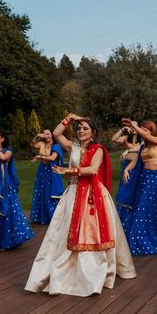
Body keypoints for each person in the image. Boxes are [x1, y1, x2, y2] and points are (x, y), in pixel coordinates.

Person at [25, 114, 136, 296]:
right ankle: (65, 270)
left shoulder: (98, 149)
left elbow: (93, 170)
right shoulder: (72, 147)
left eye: (85, 128)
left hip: (93, 195)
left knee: (91, 232)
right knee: (64, 231)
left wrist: (69, 170)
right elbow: (56, 133)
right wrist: (70, 118)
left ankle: (92, 274)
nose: (81, 131)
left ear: (92, 133)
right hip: (73, 193)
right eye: (79, 128)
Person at [121, 118, 157, 255]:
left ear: (151, 131)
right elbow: (135, 162)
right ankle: (139, 238)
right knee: (142, 209)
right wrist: (126, 170)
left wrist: (134, 126)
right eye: (142, 129)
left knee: (154, 209)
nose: (143, 132)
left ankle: (155, 238)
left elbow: (148, 137)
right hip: (145, 179)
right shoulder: (143, 147)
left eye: (145, 129)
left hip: (155, 179)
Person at [111, 123, 142, 232]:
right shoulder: (125, 138)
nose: (133, 129)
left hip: (137, 166)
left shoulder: (142, 140)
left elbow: (140, 149)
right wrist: (122, 129)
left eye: (135, 127)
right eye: (131, 127)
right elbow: (113, 139)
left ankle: (134, 217)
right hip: (126, 166)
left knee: (135, 190)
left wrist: (128, 150)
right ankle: (122, 218)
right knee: (124, 189)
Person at [29, 129, 64, 225]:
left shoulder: (56, 146)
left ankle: (54, 217)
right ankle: (42, 217)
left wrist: (40, 157)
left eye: (48, 134)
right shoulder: (41, 144)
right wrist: (37, 135)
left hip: (52, 171)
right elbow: (32, 145)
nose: (46, 136)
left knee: (50, 193)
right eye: (44, 134)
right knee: (41, 192)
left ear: (52, 135)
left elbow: (52, 158)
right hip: (42, 171)